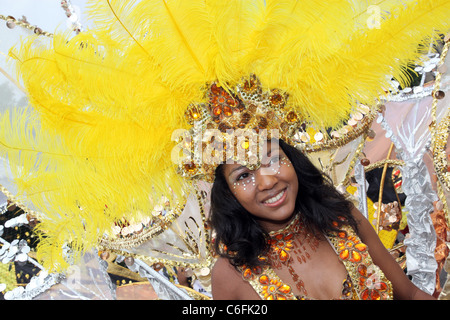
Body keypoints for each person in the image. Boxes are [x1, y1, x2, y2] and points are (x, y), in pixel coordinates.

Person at [210, 139, 435, 300]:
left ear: (291, 159)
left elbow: (411, 294)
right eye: (244, 175)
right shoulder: (229, 274)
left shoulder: (340, 216)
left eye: (272, 160)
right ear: (229, 193)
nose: (267, 182)